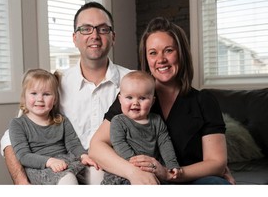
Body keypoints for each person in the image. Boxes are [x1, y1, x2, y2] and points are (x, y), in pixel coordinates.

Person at [89, 17, 235, 185]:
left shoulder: (204, 101)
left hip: (191, 181)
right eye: (153, 53)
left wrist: (170, 173)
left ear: (181, 53)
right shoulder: (132, 98)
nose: (161, 59)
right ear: (146, 59)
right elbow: (96, 146)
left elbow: (217, 162)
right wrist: (134, 173)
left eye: (168, 50)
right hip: (147, 181)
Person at [0, 2, 131, 185]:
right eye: (86, 29)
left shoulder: (133, 84)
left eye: (102, 29)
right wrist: (22, 182)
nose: (94, 35)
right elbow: (12, 136)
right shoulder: (56, 83)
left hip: (113, 172)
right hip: (61, 172)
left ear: (113, 37)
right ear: (75, 38)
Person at [9, 68, 98, 185]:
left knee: (97, 171)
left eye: (46, 94)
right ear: (24, 97)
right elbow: (24, 156)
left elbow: (73, 145)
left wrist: (83, 156)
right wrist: (49, 162)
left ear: (55, 99)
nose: (40, 99)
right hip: (40, 167)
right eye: (34, 93)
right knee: (68, 179)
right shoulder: (18, 124)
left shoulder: (61, 120)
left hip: (66, 161)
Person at [101, 70, 181, 185]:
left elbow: (165, 143)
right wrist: (137, 166)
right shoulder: (118, 121)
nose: (135, 103)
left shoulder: (157, 121)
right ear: (120, 100)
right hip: (125, 171)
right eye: (129, 97)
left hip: (152, 169)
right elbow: (119, 144)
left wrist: (172, 164)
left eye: (142, 98)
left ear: (152, 101)